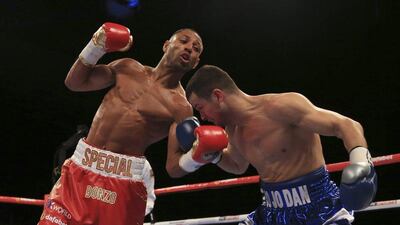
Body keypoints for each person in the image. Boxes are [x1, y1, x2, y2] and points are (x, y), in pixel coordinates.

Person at [38, 22, 204, 225]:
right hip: (80, 168)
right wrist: (96, 46)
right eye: (184, 41)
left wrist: (198, 156)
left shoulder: (181, 107)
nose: (189, 48)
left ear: (195, 63)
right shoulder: (127, 68)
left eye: (196, 49)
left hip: (122, 183)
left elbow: (173, 166)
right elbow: (75, 83)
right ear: (166, 44)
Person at [177, 65, 377, 225]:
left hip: (318, 205)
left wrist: (360, 163)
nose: (202, 117)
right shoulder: (232, 130)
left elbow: (345, 125)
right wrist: (215, 156)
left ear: (218, 96)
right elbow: (238, 165)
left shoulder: (280, 107)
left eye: (200, 108)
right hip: (272, 211)